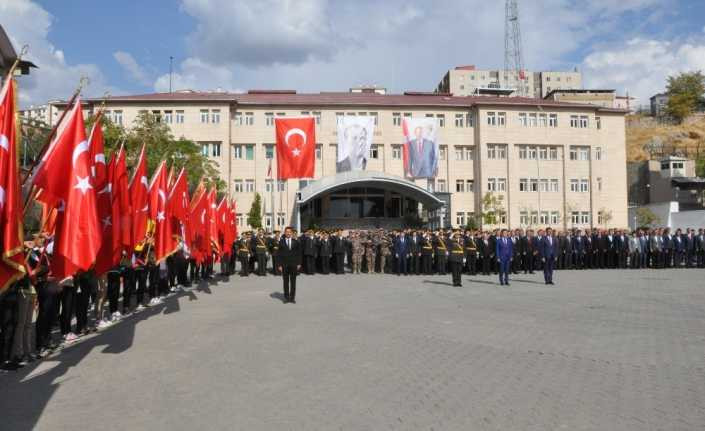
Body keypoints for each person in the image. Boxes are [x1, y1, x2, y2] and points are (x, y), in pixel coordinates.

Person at [276, 227, 302, 303]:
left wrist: (299, 263)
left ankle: (292, 298)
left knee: (293, 282)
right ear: (285, 233)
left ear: (292, 233)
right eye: (286, 232)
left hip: (294, 264)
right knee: (286, 282)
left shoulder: (296, 241)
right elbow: (279, 254)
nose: (288, 233)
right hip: (284, 265)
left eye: (289, 232)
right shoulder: (281, 242)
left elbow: (299, 253)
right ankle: (286, 298)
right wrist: (279, 265)